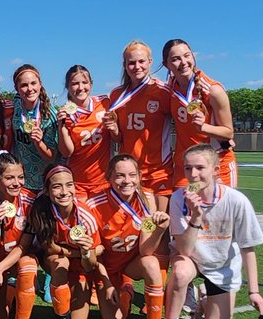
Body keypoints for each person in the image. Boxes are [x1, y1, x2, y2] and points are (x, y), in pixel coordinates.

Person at [162, 144, 263, 319]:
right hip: (191, 258)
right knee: (181, 273)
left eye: (200, 168)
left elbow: (248, 248)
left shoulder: (236, 201)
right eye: (188, 168)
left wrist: (254, 292)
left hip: (222, 266)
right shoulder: (178, 198)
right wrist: (196, 217)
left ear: (216, 171)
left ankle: (204, 299)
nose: (193, 174)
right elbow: (184, 248)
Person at [90, 155, 171, 319]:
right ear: (108, 177)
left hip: (131, 264)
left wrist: (160, 230)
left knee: (151, 262)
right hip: (107, 269)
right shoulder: (94, 204)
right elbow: (95, 255)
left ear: (139, 176)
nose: (127, 181)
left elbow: (145, 250)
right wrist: (107, 284)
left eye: (132, 175)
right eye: (119, 176)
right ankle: (125, 290)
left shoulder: (148, 200)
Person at [22, 165, 107, 319]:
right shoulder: (41, 211)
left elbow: (90, 263)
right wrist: (78, 253)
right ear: (46, 190)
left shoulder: (86, 216)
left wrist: (85, 252)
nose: (64, 192)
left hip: (82, 267)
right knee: (60, 262)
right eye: (57, 186)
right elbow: (50, 248)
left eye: (69, 185)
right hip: (55, 262)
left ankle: (69, 298)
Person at [108, 41, 175, 209]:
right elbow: (119, 139)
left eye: (141, 61)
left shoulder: (163, 91)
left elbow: (184, 121)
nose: (137, 66)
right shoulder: (117, 95)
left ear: (150, 62)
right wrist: (115, 130)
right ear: (124, 65)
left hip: (158, 171)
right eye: (131, 62)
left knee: (161, 227)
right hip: (128, 175)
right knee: (136, 228)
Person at [163, 39, 238, 188]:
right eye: (175, 59)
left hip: (215, 166)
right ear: (167, 65)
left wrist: (204, 127)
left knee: (218, 210)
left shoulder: (213, 90)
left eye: (187, 56)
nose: (183, 62)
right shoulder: (169, 89)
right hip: (186, 168)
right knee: (187, 208)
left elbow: (228, 132)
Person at [57, 64, 117, 199]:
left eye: (84, 82)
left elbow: (117, 138)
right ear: (67, 86)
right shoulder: (66, 113)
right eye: (75, 83)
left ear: (91, 84)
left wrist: (114, 129)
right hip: (78, 182)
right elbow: (67, 152)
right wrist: (62, 127)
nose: (80, 87)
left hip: (104, 180)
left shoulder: (104, 103)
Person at [10, 64, 59, 192]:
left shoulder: (49, 115)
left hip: (43, 184)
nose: (29, 89)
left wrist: (39, 142)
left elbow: (52, 157)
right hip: (20, 182)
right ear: (16, 88)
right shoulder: (15, 104)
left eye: (33, 83)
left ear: (40, 84)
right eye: (24, 85)